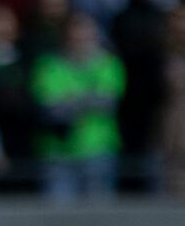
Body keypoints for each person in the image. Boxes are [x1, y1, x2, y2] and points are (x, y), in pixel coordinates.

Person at [32, 11, 125, 200]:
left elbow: (107, 103)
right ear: (65, 36)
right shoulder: (48, 65)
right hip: (58, 152)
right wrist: (89, 96)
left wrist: (69, 98)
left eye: (86, 33)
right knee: (57, 214)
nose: (81, 39)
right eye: (75, 34)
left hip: (98, 149)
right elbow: (52, 109)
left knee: (99, 213)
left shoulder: (109, 64)